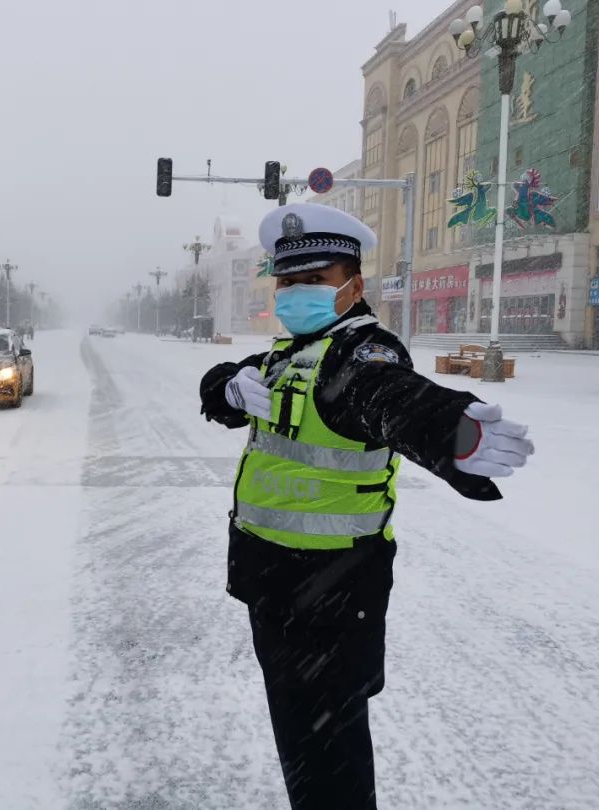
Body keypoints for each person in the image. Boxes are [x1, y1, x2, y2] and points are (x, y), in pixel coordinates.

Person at [199, 203, 535, 809]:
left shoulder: (359, 355)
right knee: (305, 746)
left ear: (353, 286)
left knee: (329, 763)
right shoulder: (287, 354)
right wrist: (226, 385)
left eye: (315, 281)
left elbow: (389, 398)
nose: (296, 293)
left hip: (330, 594)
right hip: (275, 585)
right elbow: (222, 389)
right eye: (288, 282)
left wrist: (453, 432)